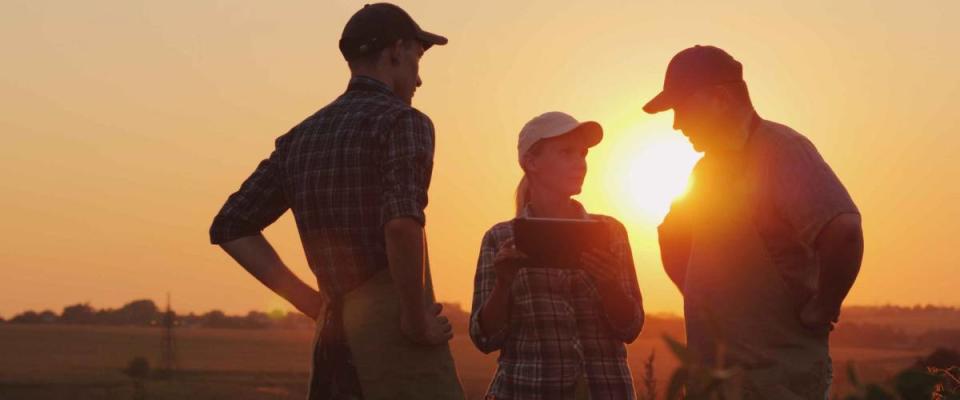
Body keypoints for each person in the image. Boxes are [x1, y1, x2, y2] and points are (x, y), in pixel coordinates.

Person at [208, 3, 464, 399]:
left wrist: (313, 303)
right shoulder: (403, 122)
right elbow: (400, 224)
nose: (420, 79)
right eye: (417, 56)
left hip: (333, 351)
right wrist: (415, 318)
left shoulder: (300, 138)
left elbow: (231, 226)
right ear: (396, 51)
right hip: (395, 350)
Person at [644, 45, 864, 399]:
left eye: (682, 107)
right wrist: (701, 300)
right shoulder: (707, 170)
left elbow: (844, 233)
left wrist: (825, 306)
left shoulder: (782, 151)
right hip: (714, 382)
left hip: (778, 382)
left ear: (719, 98)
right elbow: (671, 239)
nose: (676, 123)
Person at [469, 112, 645, 400]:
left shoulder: (610, 232)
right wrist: (503, 285)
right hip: (524, 391)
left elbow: (631, 327)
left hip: (606, 390)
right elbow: (485, 338)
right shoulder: (500, 239)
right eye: (566, 152)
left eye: (583, 154)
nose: (580, 163)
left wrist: (609, 283)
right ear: (531, 162)